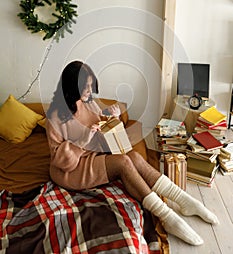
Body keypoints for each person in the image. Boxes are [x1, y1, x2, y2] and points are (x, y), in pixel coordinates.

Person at [46, 60, 219, 246]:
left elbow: (103, 128)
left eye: (90, 85)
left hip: (94, 155)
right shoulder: (54, 117)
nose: (90, 90)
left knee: (134, 156)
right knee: (123, 163)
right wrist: (81, 141)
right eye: (85, 86)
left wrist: (112, 117)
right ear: (72, 86)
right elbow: (60, 161)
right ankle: (166, 216)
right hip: (72, 169)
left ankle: (183, 199)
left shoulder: (89, 103)